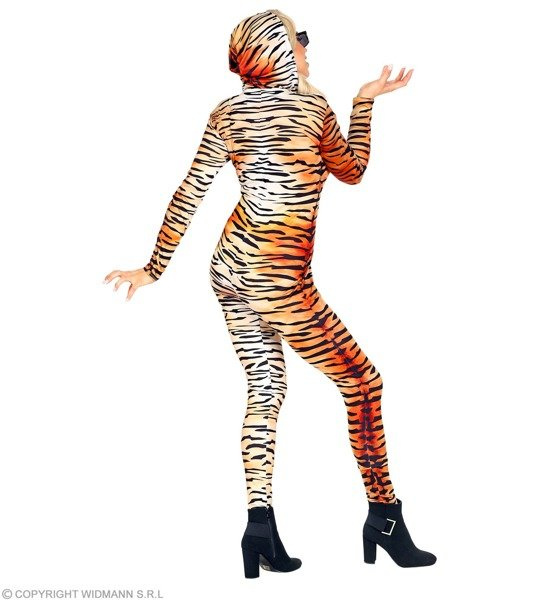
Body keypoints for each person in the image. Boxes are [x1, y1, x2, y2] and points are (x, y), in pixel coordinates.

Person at [103, 8, 436, 577]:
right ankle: (384, 517)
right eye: (298, 38)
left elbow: (190, 191)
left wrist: (153, 269)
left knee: (266, 387)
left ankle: (260, 529)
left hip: (229, 267)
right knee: (364, 383)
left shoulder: (227, 113)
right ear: (281, 51)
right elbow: (353, 171)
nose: (307, 46)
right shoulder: (312, 108)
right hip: (278, 278)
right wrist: (363, 104)